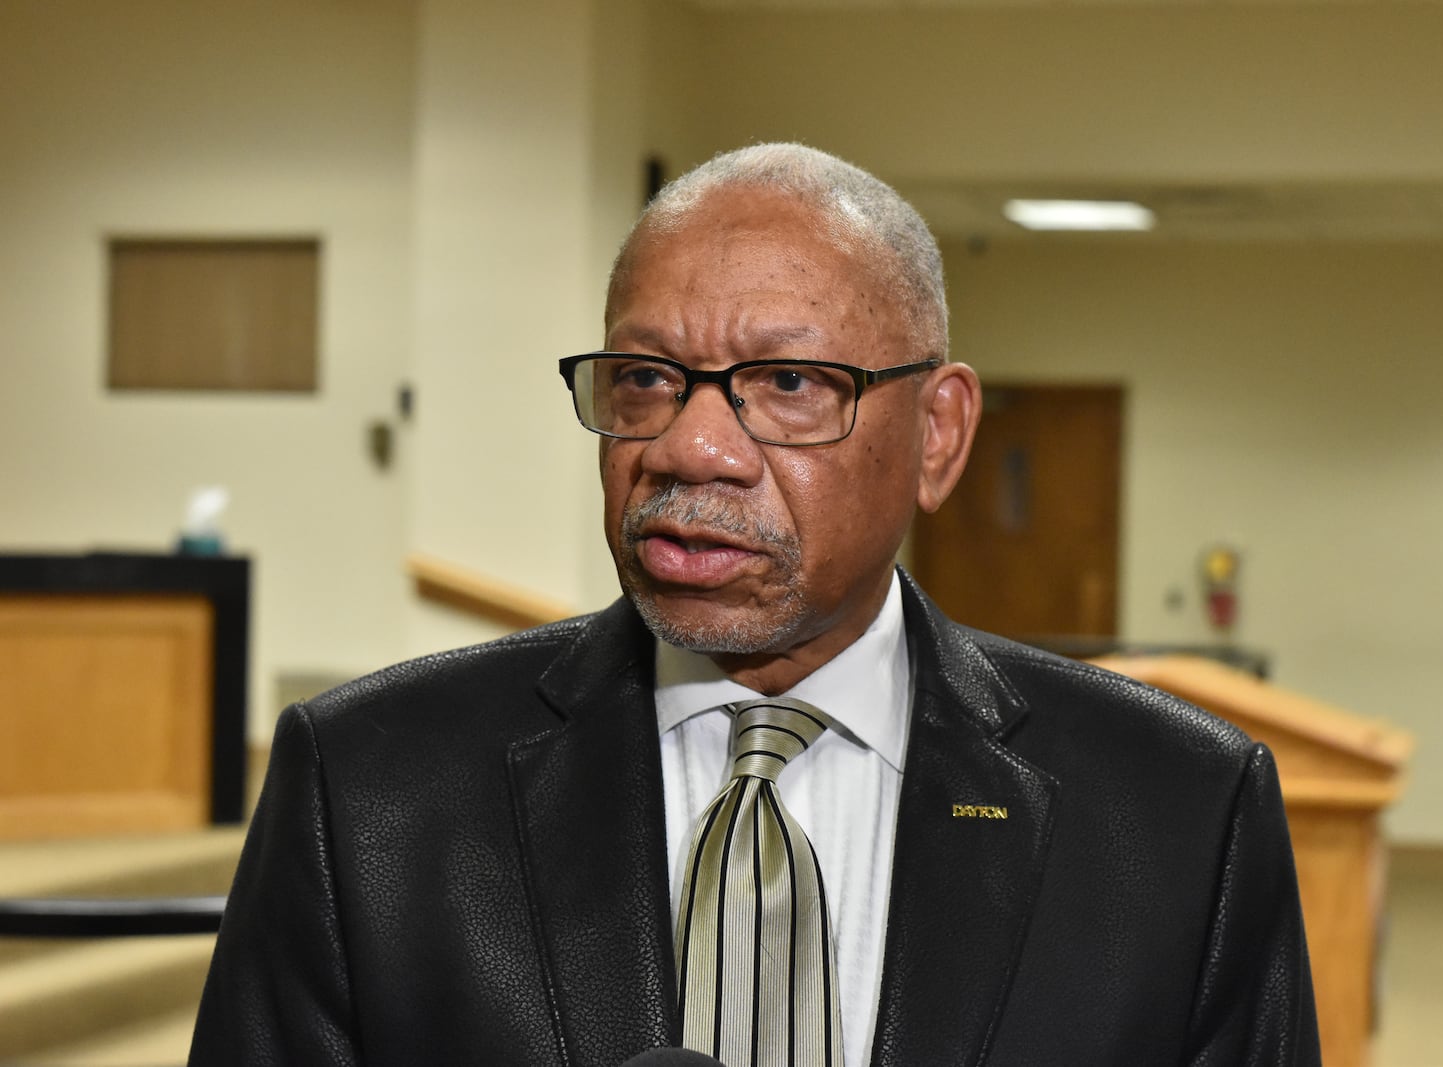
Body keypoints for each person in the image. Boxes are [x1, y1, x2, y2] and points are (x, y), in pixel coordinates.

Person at [189, 143, 1319, 1066]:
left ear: (938, 434)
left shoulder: (1179, 812)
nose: (689, 443)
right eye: (644, 378)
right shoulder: (370, 787)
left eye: (787, 383)